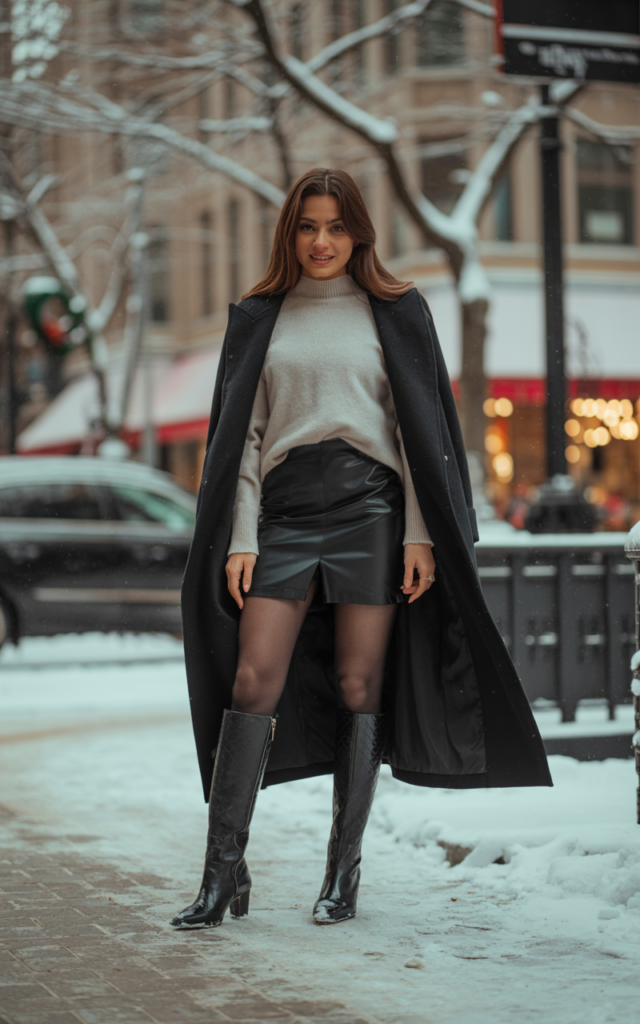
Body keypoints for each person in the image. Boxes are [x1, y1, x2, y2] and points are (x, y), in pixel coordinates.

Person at [172, 169, 551, 930]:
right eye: (308, 227)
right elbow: (239, 440)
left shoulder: (396, 312)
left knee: (357, 684)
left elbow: (422, 436)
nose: (321, 241)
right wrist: (241, 536)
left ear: (358, 234)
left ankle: (342, 877)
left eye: (336, 227)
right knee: (252, 680)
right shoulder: (258, 317)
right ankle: (222, 876)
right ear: (291, 234)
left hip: (370, 512)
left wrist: (418, 531)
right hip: (281, 514)